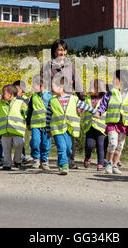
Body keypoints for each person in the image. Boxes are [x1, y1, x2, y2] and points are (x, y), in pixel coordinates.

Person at [41, 39, 85, 169]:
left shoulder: (69, 64)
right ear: (54, 50)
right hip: (54, 101)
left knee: (70, 130)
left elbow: (77, 81)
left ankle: (70, 159)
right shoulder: (48, 65)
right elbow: (43, 83)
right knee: (54, 130)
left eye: (64, 50)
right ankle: (44, 159)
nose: (62, 52)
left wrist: (81, 99)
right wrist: (45, 98)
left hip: (69, 101)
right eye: (60, 49)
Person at [45, 77, 97, 175]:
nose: (51, 88)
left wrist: (94, 112)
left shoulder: (73, 99)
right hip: (57, 129)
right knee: (62, 147)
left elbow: (85, 106)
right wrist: (48, 130)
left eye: (53, 86)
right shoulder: (52, 101)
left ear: (61, 87)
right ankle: (64, 165)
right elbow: (48, 117)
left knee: (69, 149)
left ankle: (62, 160)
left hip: (69, 129)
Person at [95, 69, 128, 175]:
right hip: (112, 123)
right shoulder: (111, 93)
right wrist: (99, 113)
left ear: (123, 80)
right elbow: (103, 104)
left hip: (124, 124)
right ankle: (108, 163)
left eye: (116, 78)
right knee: (113, 144)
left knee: (120, 146)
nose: (113, 80)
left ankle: (115, 165)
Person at [0, 84, 28, 171]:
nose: (2, 95)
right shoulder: (1, 103)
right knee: (6, 148)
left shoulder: (21, 102)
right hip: (5, 131)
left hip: (17, 130)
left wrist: (28, 121)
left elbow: (26, 112)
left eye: (3, 93)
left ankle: (17, 160)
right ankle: (7, 164)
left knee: (19, 144)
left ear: (11, 94)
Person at [26, 74, 53, 170]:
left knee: (46, 144)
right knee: (35, 142)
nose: (34, 87)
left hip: (47, 125)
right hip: (35, 125)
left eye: (36, 85)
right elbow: (29, 111)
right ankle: (36, 158)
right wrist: (28, 123)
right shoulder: (33, 97)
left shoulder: (50, 96)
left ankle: (44, 160)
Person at [82, 79, 108, 171]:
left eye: (92, 87)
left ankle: (100, 163)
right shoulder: (87, 99)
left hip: (101, 127)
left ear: (99, 89)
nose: (89, 89)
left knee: (100, 145)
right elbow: (82, 106)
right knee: (89, 145)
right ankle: (87, 157)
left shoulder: (105, 99)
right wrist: (79, 110)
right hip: (89, 126)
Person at [13, 80, 33, 165]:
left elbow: (28, 111)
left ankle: (22, 156)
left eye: (17, 89)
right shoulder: (11, 98)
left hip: (21, 125)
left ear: (23, 91)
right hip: (12, 124)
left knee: (21, 142)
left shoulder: (26, 100)